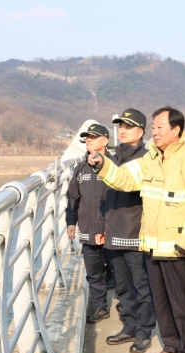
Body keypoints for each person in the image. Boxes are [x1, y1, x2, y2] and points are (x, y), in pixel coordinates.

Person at [90, 106, 185, 353]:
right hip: (154, 245)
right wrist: (102, 165)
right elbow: (124, 179)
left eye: (160, 127)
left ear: (176, 130)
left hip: (179, 248)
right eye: (153, 127)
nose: (154, 132)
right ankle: (171, 346)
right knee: (161, 301)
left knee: (182, 303)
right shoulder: (151, 159)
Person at [96, 109, 157, 353]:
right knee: (123, 288)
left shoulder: (147, 159)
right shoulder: (114, 157)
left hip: (135, 232)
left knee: (142, 287)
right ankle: (129, 326)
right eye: (120, 126)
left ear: (141, 132)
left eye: (128, 126)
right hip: (114, 232)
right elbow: (104, 197)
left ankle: (144, 331)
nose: (122, 130)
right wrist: (102, 227)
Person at [66, 123, 114, 323]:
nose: (89, 141)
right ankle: (100, 307)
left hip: (111, 229)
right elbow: (72, 197)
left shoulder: (115, 165)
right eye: (87, 138)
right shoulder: (80, 168)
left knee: (120, 271)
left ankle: (127, 308)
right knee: (93, 272)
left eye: (94, 137)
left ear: (105, 140)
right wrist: (71, 222)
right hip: (87, 229)